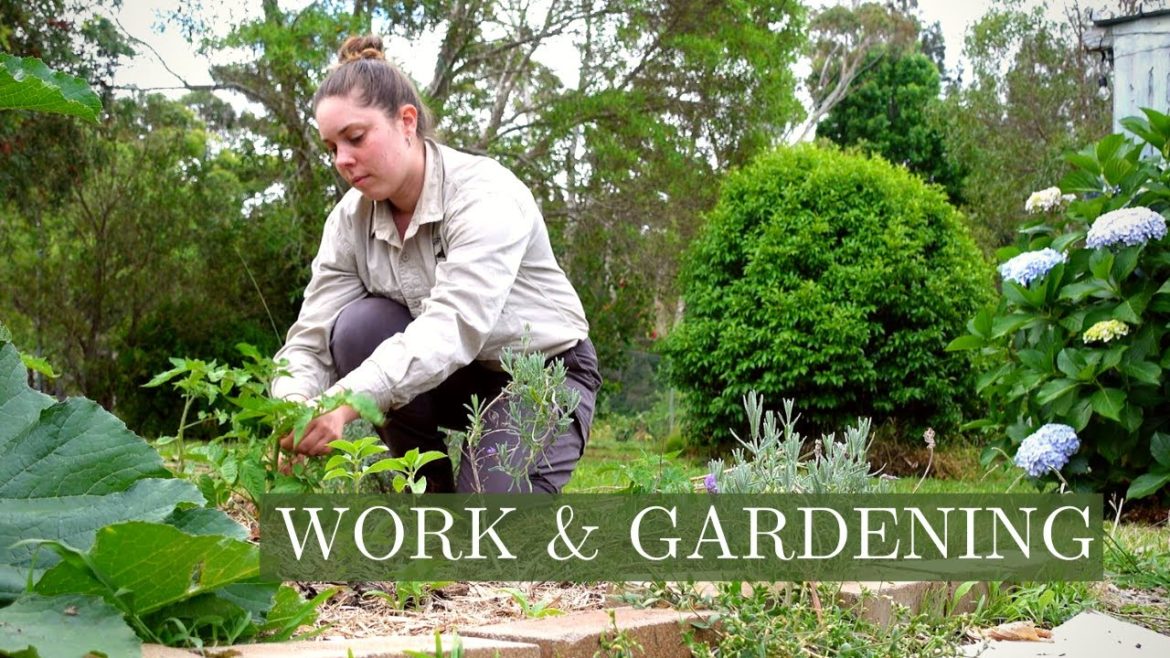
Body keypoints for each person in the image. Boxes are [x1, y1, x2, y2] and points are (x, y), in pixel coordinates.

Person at [270, 35, 600, 493]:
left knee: (487, 530)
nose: (342, 160)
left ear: (407, 121)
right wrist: (294, 405)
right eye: (331, 147)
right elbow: (311, 341)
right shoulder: (349, 219)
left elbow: (452, 327)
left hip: (542, 373)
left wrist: (343, 401)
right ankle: (427, 494)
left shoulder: (485, 194)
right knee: (357, 327)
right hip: (454, 379)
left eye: (356, 138)